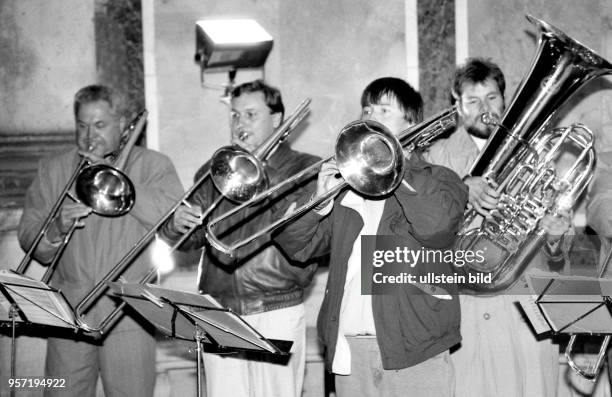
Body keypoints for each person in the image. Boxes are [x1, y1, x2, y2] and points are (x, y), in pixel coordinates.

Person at [274, 77, 468, 397]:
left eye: (384, 110)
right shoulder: (346, 193)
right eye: (367, 110)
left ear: (413, 124)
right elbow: (296, 246)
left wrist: (397, 165)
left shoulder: (439, 179)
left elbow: (436, 229)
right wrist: (318, 203)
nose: (371, 118)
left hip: (414, 348)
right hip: (352, 346)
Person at [17, 84, 184, 397]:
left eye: (100, 125)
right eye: (82, 125)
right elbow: (29, 237)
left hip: (128, 312)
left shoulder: (153, 166)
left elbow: (172, 219)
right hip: (68, 312)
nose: (89, 135)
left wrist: (119, 178)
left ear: (122, 124)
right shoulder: (53, 170)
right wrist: (57, 226)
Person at [160, 79, 321, 397]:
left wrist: (259, 169)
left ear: (277, 120)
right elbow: (185, 240)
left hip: (276, 307)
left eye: (250, 114)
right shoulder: (217, 168)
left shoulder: (305, 167)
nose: (240, 124)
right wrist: (175, 223)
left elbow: (304, 239)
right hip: (219, 310)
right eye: (234, 115)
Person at [424, 58, 572, 397]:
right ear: (456, 104)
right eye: (472, 101)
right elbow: (421, 234)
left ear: (505, 100)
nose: (484, 109)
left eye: (491, 98)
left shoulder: (539, 156)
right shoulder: (436, 157)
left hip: (524, 312)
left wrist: (557, 232)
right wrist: (461, 189)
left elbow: (562, 249)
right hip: (467, 314)